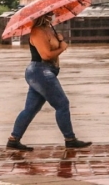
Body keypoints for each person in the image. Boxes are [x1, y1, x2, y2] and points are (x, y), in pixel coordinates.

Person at [7, 11, 92, 152]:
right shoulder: (37, 32)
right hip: (40, 72)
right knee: (62, 104)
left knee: (31, 109)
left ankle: (13, 140)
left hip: (45, 72)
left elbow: (55, 48)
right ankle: (70, 140)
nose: (52, 16)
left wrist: (60, 40)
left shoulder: (49, 30)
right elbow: (46, 55)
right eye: (49, 14)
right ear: (42, 15)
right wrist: (61, 48)